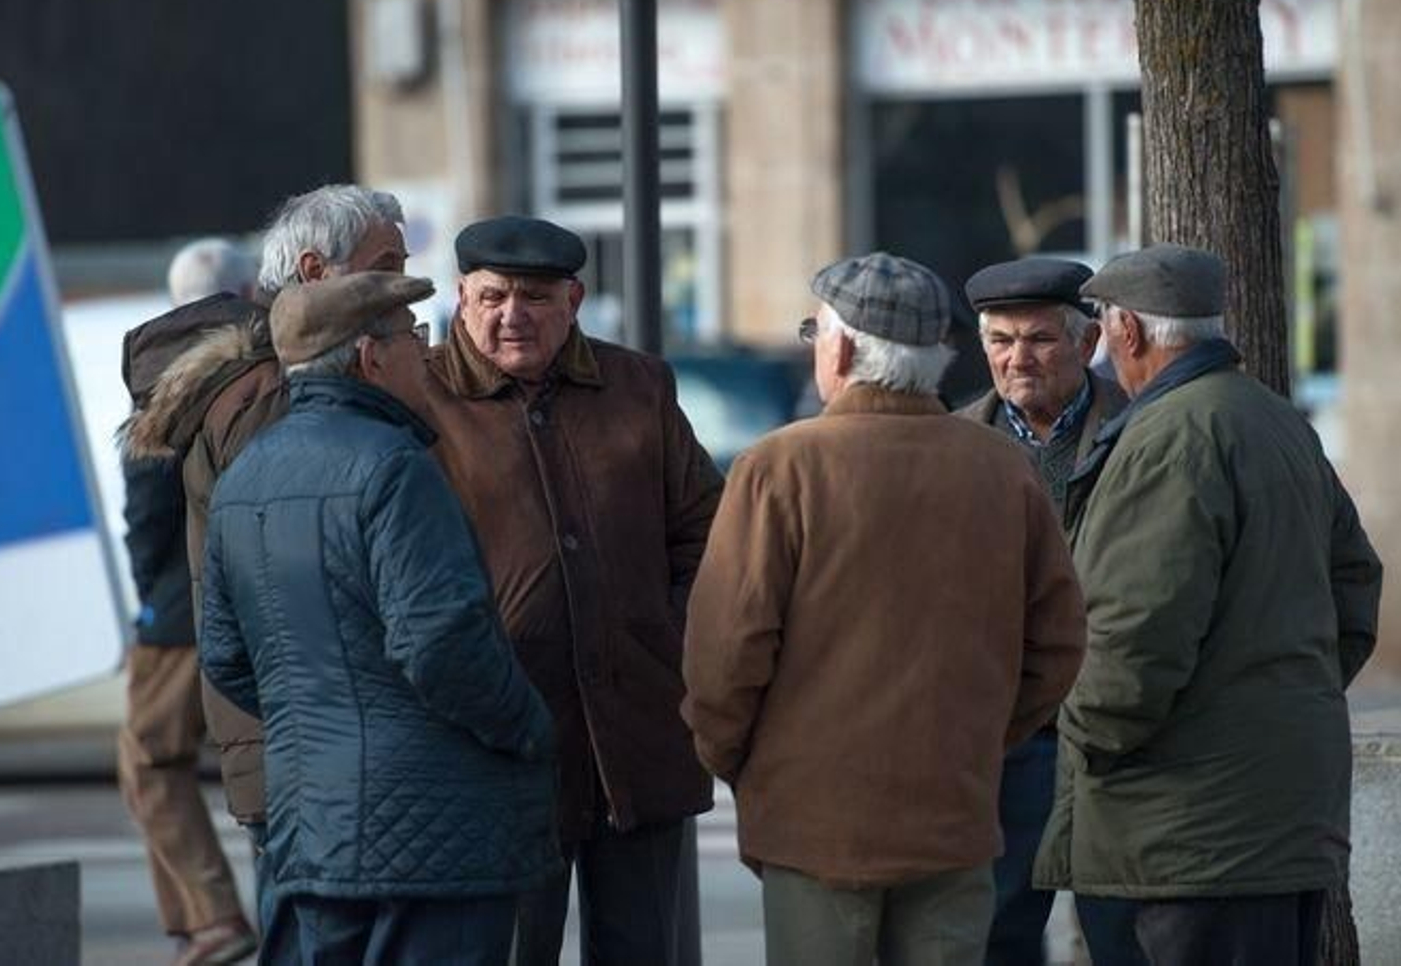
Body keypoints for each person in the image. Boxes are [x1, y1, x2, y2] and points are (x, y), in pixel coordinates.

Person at [681, 251, 1087, 966]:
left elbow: (723, 661)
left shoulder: (779, 467)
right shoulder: (1001, 466)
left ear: (838, 346)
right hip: (955, 813)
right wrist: (981, 738)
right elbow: (1057, 643)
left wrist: (750, 765)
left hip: (813, 823)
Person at [1032, 243, 1383, 965]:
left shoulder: (1172, 436)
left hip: (1185, 832)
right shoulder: (1276, 419)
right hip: (1270, 809)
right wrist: (1276, 696)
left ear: (1127, 332)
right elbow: (1355, 584)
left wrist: (1082, 732)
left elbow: (1134, 639)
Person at [200, 272, 559, 963]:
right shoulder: (395, 467)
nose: (424, 354)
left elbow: (224, 654)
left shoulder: (244, 477)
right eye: (412, 337)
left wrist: (316, 719)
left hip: (311, 828)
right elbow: (441, 642)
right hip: (433, 839)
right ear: (370, 356)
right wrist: (527, 724)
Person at [422, 215, 723, 966]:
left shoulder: (637, 385)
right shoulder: (423, 398)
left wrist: (668, 631)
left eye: (533, 297)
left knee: (645, 949)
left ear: (575, 299)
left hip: (640, 731)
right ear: (462, 296)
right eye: (492, 296)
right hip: (505, 746)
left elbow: (710, 533)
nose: (511, 315)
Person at [125, 184, 410, 936]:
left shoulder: (278, 383)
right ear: (317, 270)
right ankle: (213, 918)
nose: (406, 283)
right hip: (321, 745)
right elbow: (304, 588)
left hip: (314, 741)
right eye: (387, 264)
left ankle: (215, 919)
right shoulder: (273, 394)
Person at [956, 257, 1134, 966]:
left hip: (1118, 723)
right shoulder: (955, 443)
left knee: (1122, 928)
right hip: (1007, 734)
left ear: (1087, 342)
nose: (1016, 358)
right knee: (1000, 927)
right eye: (1000, 341)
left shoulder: (1141, 428)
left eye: (1038, 339)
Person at [115, 239, 259, 966]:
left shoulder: (166, 375)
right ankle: (198, 923)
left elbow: (146, 514)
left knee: (148, 763)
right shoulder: (266, 361)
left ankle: (209, 918)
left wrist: (150, 603)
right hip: (247, 597)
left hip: (180, 613)